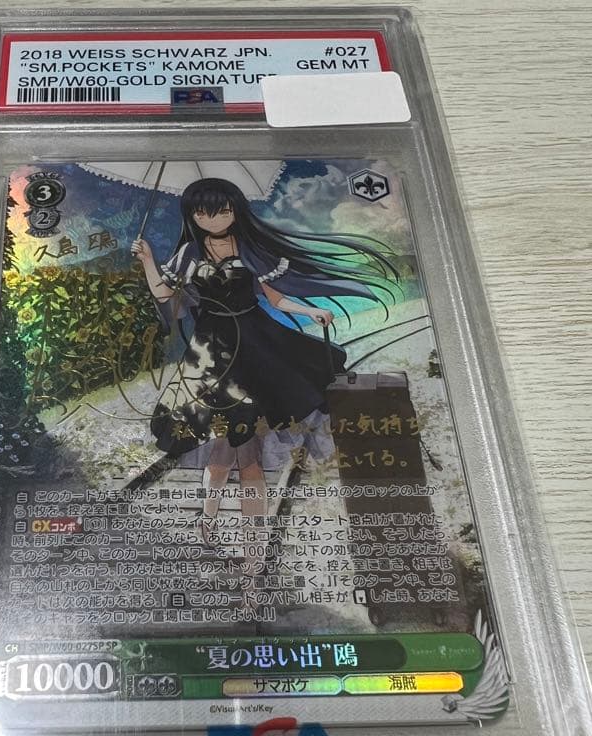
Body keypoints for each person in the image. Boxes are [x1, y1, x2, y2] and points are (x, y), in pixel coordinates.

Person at [131, 177, 397, 572]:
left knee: (245, 449)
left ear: (235, 210)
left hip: (257, 345)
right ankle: (210, 520)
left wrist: (311, 311)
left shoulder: (249, 248)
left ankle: (251, 542)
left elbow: (275, 298)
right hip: (211, 352)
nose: (213, 219)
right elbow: (165, 294)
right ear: (193, 215)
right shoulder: (189, 252)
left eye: (222, 211)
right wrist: (148, 259)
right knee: (224, 445)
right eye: (203, 213)